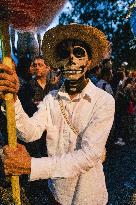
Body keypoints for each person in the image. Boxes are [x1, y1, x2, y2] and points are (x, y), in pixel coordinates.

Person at [0, 24, 115, 205]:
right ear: (59, 63)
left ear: (89, 62)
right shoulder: (52, 98)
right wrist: (13, 99)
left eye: (78, 53)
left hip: (89, 196)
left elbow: (89, 156)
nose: (70, 58)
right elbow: (30, 132)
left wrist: (31, 165)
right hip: (57, 195)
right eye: (64, 53)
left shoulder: (104, 101)